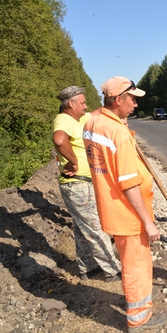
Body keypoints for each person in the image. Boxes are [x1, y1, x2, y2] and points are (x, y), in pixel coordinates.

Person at [82, 76, 167, 333]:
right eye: (132, 99)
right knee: (137, 265)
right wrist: (147, 222)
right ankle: (139, 318)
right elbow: (129, 183)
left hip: (111, 207)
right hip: (127, 211)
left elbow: (100, 116)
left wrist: (120, 119)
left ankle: (134, 303)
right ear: (117, 100)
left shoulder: (93, 122)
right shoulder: (117, 132)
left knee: (130, 261)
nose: (136, 104)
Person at [52, 86, 122, 283]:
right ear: (71, 104)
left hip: (80, 184)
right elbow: (59, 139)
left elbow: (97, 112)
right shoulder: (63, 120)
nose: (85, 105)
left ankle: (88, 268)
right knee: (95, 228)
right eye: (82, 102)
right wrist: (73, 161)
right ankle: (113, 271)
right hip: (77, 185)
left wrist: (114, 96)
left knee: (81, 228)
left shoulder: (78, 119)